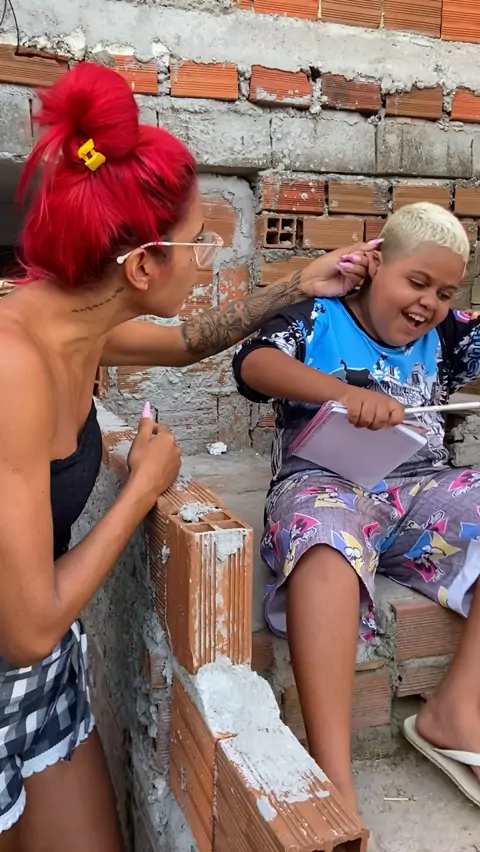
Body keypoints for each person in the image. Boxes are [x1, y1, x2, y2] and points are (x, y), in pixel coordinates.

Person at [0, 61, 377, 851]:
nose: (208, 255)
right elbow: (27, 626)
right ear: (143, 265)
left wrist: (298, 284)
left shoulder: (74, 322)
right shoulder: (13, 369)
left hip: (40, 672)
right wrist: (143, 488)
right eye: (197, 243)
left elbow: (183, 343)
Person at [233, 202, 480, 830]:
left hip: (422, 490)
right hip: (325, 484)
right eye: (416, 282)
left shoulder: (450, 335)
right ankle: (334, 780)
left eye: (444, 293)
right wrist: (345, 394)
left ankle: (455, 713)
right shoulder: (319, 316)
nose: (428, 303)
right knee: (324, 544)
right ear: (375, 265)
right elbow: (254, 365)